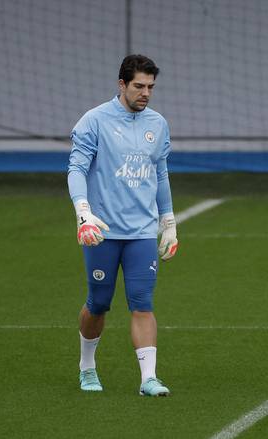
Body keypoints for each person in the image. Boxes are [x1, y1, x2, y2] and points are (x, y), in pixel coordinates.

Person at [68, 54, 179, 396]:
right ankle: (87, 366)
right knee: (98, 302)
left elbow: (160, 174)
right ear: (122, 84)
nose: (146, 92)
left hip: (142, 232)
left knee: (142, 302)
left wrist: (169, 221)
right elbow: (76, 169)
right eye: (139, 86)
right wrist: (83, 212)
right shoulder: (95, 121)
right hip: (102, 231)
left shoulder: (157, 124)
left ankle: (148, 378)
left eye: (151, 87)